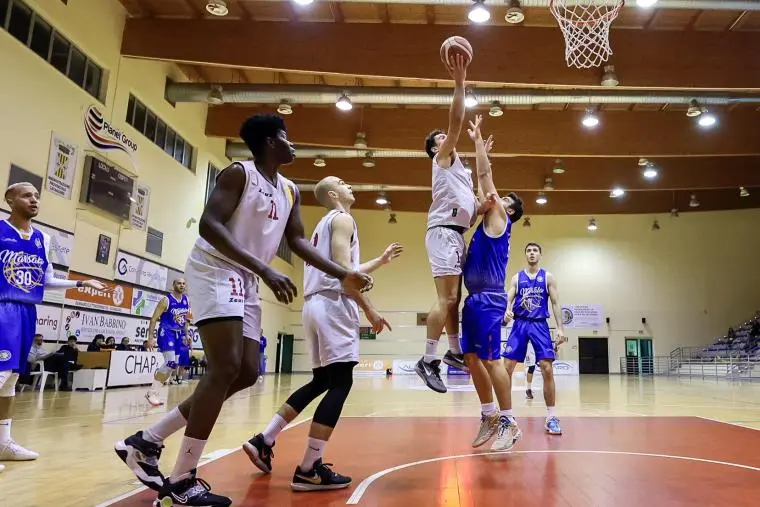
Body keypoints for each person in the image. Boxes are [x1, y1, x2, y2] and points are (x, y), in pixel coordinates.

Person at [114, 114, 373, 507]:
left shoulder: (289, 191)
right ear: (270, 142)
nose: (293, 144)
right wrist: (265, 268)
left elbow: (299, 241)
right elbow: (208, 225)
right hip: (215, 268)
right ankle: (182, 479)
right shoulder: (239, 174)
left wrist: (344, 274)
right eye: (286, 137)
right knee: (224, 366)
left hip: (247, 277)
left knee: (247, 370)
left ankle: (146, 441)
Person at [243, 176, 400, 491]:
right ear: (333, 193)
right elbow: (344, 273)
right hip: (333, 305)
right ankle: (309, 467)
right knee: (341, 382)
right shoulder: (343, 218)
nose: (350, 184)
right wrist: (369, 308)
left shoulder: (323, 225)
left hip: (313, 306)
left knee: (322, 380)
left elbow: (344, 267)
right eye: (344, 182)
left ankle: (265, 438)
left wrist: (378, 263)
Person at [0, 182, 104, 473]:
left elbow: (46, 280)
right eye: (26, 195)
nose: (34, 200)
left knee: (10, 382)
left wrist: (80, 283)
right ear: (10, 200)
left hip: (27, 311)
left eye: (36, 196)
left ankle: (4, 442)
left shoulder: (42, 239)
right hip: (2, 308)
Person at [459, 115, 524, 452]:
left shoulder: (499, 219)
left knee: (492, 360)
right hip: (473, 300)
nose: (496, 200)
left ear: (507, 212)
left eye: (503, 201)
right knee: (470, 357)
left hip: (490, 298)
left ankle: (510, 422)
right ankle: (488, 415)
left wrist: (477, 141)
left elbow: (484, 176)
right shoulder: (486, 219)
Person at [416, 53, 476, 394]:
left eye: (445, 137)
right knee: (446, 299)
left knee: (454, 299)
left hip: (454, 234)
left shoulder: (460, 174)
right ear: (434, 149)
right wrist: (459, 82)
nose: (447, 138)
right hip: (442, 233)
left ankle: (454, 352)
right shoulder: (443, 158)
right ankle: (427, 360)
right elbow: (454, 121)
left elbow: (473, 204)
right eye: (440, 138)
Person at [503, 243, 568, 435]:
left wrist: (560, 328)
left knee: (547, 368)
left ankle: (552, 416)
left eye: (535, 251)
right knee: (506, 368)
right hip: (520, 324)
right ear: (525, 255)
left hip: (539, 324)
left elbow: (555, 303)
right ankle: (506, 416)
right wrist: (506, 311)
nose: (532, 253)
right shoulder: (517, 277)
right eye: (529, 251)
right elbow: (508, 297)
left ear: (540, 254)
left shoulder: (547, 277)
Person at [144, 278, 191, 406]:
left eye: (183, 283)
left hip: (178, 334)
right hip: (166, 333)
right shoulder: (166, 300)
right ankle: (151, 392)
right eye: (179, 283)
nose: (182, 285)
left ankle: (154, 389)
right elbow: (153, 319)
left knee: (173, 366)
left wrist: (187, 335)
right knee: (170, 363)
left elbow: (185, 320)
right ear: (173, 285)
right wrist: (150, 338)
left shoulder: (186, 300)